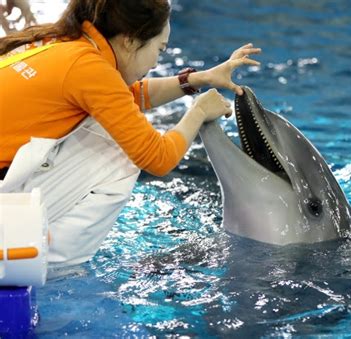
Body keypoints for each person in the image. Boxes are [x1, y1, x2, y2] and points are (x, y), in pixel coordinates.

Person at [0, 0, 261, 267]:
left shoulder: (67, 44)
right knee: (119, 153)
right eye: (159, 49)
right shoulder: (88, 68)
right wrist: (199, 111)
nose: (158, 60)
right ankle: (48, 263)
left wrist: (198, 79)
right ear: (131, 40)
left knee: (109, 126)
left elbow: (122, 97)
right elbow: (157, 158)